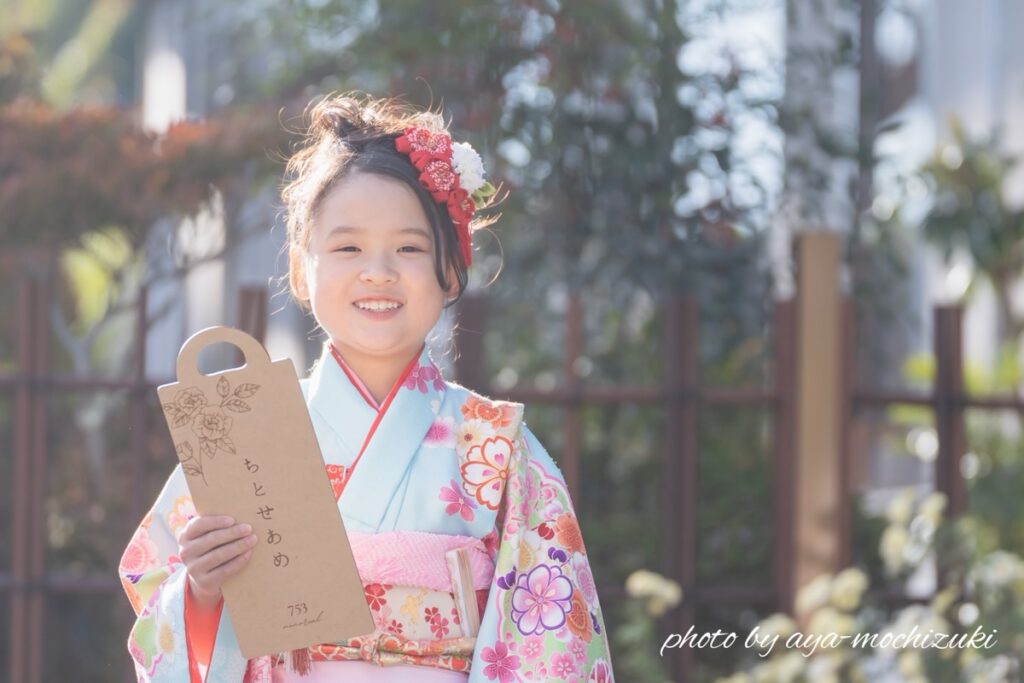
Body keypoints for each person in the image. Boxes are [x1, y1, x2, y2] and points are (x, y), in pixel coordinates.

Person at [118, 92, 615, 683]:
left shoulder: (497, 447)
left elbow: (551, 645)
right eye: (348, 247)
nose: (378, 271)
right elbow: (158, 592)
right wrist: (201, 589)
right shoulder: (240, 433)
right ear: (301, 270)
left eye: (409, 248)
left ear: (451, 270)